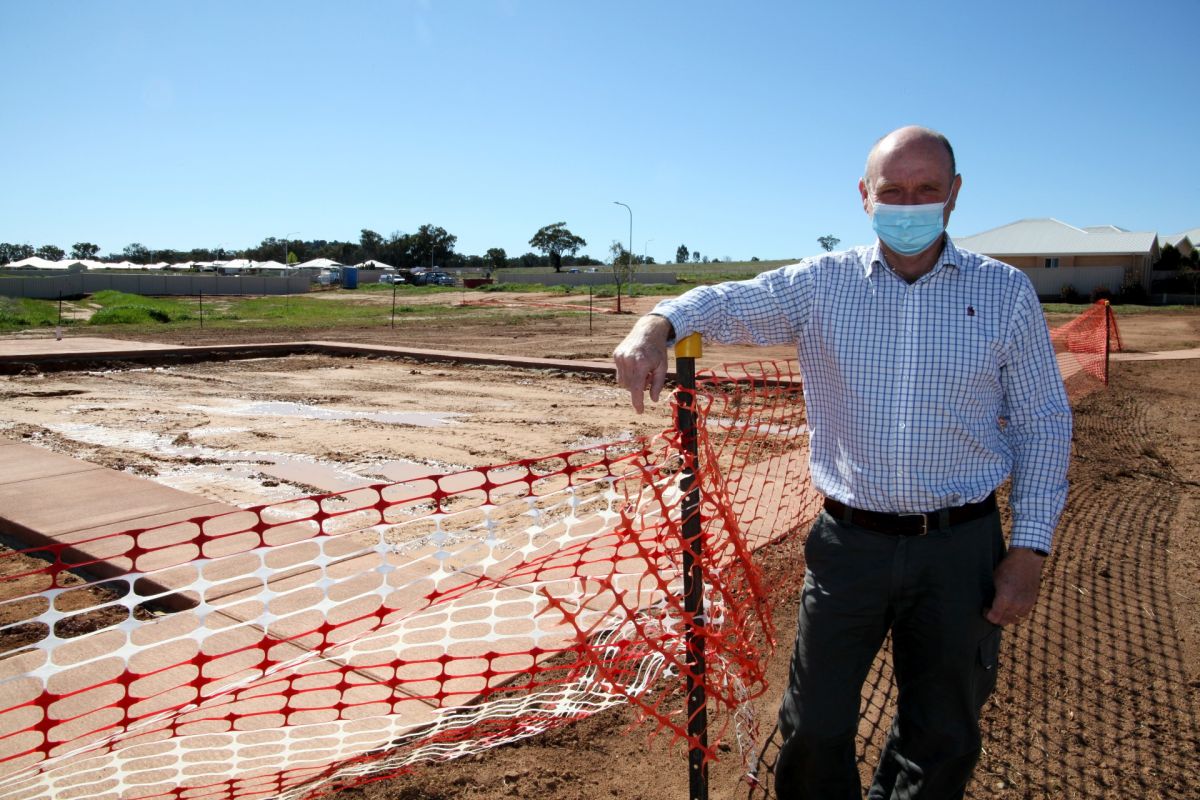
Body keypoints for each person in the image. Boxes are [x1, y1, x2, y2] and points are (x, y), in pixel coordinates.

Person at [612, 125, 1071, 799]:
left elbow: (1042, 420)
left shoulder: (1004, 293)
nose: (909, 204)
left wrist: (1029, 550)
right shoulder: (821, 286)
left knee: (941, 734)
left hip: (961, 549)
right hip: (849, 545)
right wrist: (657, 324)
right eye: (892, 191)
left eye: (927, 190)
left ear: (955, 196)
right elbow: (729, 302)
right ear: (864, 196)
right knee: (813, 728)